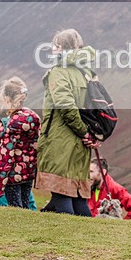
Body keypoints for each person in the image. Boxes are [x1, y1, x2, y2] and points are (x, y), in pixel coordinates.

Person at [35, 29, 99, 216]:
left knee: (62, 194)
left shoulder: (59, 73)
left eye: (55, 46)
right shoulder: (86, 73)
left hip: (60, 141)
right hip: (81, 146)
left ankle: (68, 240)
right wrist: (91, 134)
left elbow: (65, 107)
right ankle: (89, 240)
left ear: (61, 48)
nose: (52, 50)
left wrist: (83, 132)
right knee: (78, 199)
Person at [0, 77, 40, 209]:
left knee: (15, 207)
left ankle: (21, 229)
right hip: (28, 172)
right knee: (25, 204)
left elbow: (4, 155)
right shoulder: (33, 119)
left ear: (7, 99)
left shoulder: (7, 124)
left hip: (12, 175)